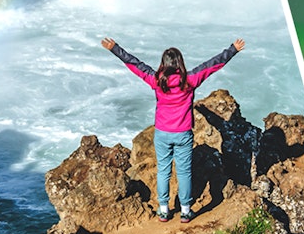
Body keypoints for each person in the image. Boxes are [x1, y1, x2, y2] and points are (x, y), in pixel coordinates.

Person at [101, 36, 244, 222]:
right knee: (184, 172)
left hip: (162, 133)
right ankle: (185, 211)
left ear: (164, 64)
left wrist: (115, 49)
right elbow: (212, 65)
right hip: (183, 134)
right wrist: (233, 49)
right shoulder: (189, 80)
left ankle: (163, 210)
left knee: (164, 171)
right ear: (180, 63)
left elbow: (135, 64)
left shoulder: (157, 80)